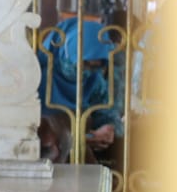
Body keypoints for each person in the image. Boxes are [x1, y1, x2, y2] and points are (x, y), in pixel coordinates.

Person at [38, 14, 123, 165]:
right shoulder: (37, 79)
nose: (86, 72)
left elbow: (106, 113)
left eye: (95, 67)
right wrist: (77, 138)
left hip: (79, 158)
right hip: (42, 161)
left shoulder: (95, 81)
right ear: (67, 52)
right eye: (83, 64)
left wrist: (107, 128)